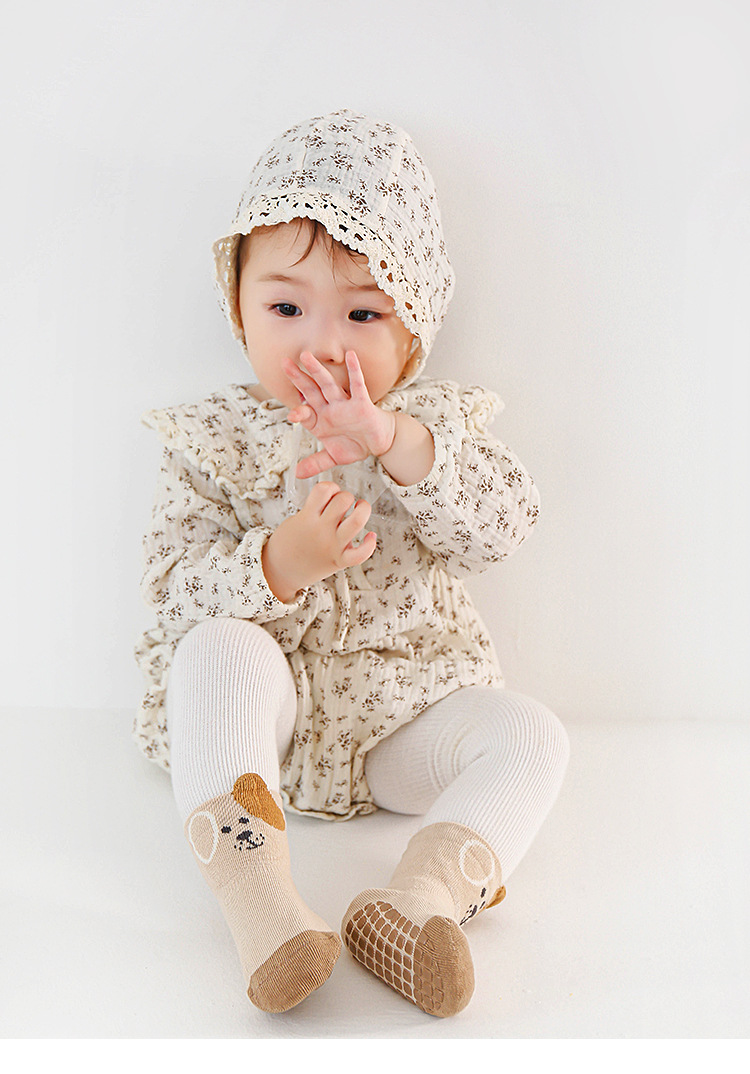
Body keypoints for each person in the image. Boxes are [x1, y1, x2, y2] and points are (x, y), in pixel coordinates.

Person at [134, 109, 569, 1018]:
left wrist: (399, 443)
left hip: (401, 729)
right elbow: (170, 594)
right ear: (239, 308)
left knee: (531, 737)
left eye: (364, 313)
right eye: (285, 308)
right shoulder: (213, 441)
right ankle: (263, 907)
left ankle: (418, 904)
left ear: (414, 333)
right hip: (266, 729)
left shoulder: (434, 429)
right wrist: (279, 562)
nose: (322, 344)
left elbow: (504, 529)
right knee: (215, 648)